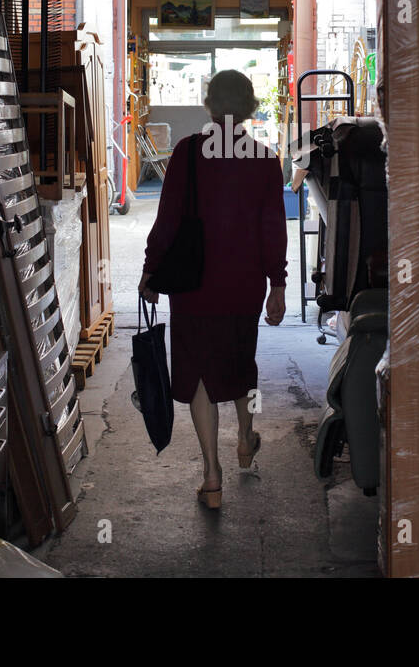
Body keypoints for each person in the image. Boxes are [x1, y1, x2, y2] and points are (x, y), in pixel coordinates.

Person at [139, 70, 287, 510]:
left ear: (209, 104)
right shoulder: (263, 159)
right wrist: (277, 283)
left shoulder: (186, 153)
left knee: (199, 369)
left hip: (193, 284)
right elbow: (272, 229)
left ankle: (212, 475)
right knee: (241, 363)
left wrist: (150, 271)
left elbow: (166, 222)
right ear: (247, 107)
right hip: (242, 285)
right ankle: (245, 439)